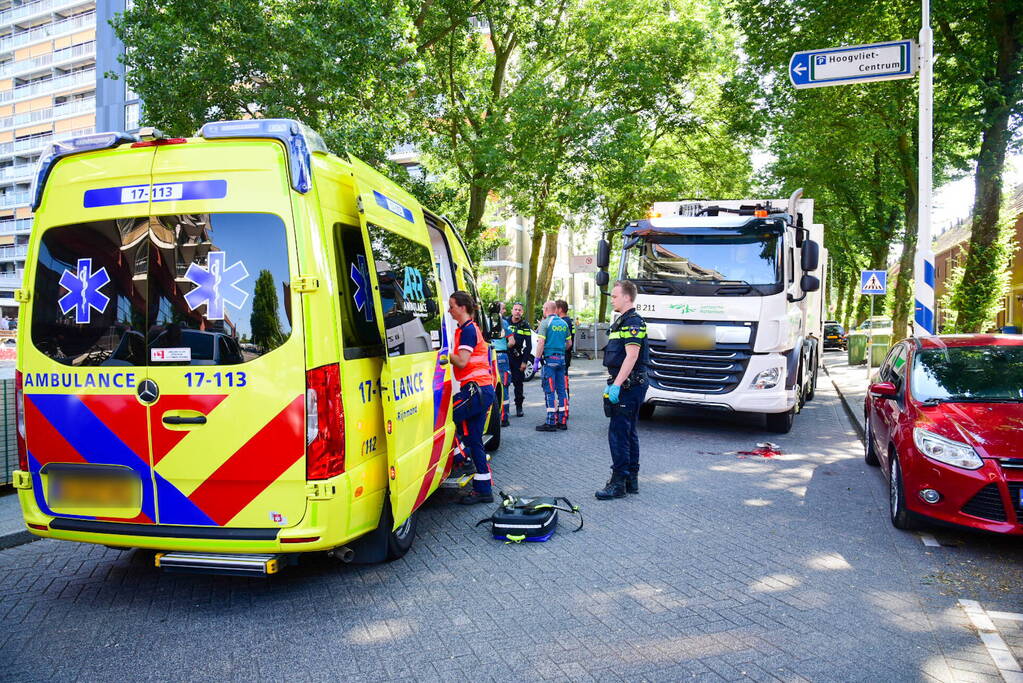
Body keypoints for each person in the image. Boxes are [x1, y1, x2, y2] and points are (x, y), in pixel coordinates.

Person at [596, 280, 649, 500]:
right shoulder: (624, 321)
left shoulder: (633, 322)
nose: (612, 300)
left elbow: (632, 355)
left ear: (627, 297)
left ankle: (618, 483)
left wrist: (617, 384)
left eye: (615, 296)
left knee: (618, 434)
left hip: (629, 385)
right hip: (630, 383)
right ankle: (630, 480)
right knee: (628, 432)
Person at [449, 291, 497, 504]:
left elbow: (461, 362)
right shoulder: (467, 329)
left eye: (451, 306)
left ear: (462, 307)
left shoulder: (468, 330)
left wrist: (440, 353)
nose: (449, 310)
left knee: (446, 417)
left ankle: (462, 457)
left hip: (476, 390)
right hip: (481, 390)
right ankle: (484, 489)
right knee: (475, 440)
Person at [533, 300, 570, 432]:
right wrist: (559, 350)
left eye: (543, 308)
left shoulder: (545, 323)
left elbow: (541, 342)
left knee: (549, 391)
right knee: (561, 391)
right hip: (561, 360)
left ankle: (551, 422)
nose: (543, 310)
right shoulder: (564, 323)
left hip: (549, 361)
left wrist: (537, 360)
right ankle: (562, 420)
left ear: (547, 309)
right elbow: (569, 343)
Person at [505, 302, 532, 417]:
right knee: (503, 383)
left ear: (522, 312)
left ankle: (519, 407)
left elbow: (529, 345)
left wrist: (524, 361)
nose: (517, 312)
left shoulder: (525, 325)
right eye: (515, 309)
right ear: (512, 311)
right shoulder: (505, 322)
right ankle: (504, 409)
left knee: (518, 383)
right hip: (505, 356)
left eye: (519, 310)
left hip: (517, 358)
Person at [490, 302, 516, 427]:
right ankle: (504, 417)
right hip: (502, 357)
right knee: (504, 386)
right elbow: (512, 341)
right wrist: (505, 346)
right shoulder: (504, 323)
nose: (505, 311)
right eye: (503, 308)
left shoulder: (486, 321)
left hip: (490, 355)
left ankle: (492, 417)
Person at [555, 299, 574, 429]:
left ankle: (564, 409)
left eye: (555, 308)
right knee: (564, 383)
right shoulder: (568, 321)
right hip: (565, 356)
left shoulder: (564, 322)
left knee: (563, 383)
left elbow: (567, 342)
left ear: (560, 309)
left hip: (563, 356)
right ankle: (564, 407)